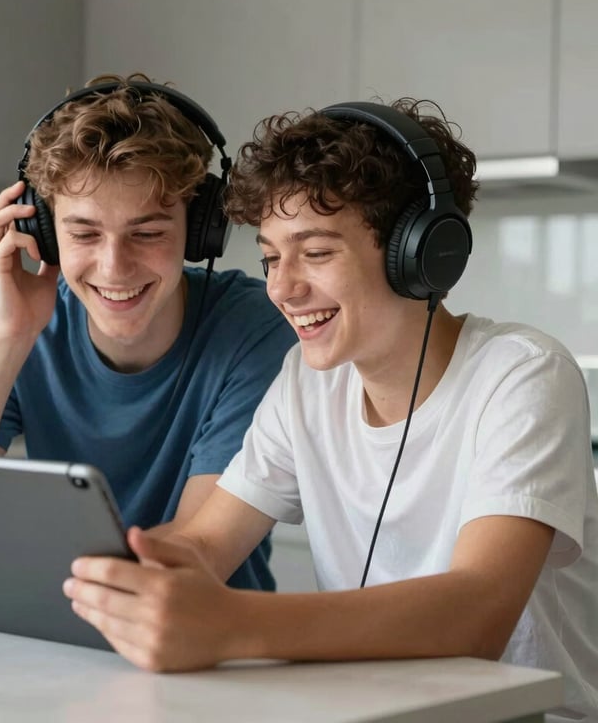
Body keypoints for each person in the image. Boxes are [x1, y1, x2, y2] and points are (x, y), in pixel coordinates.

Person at [63, 98, 598, 721]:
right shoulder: (305, 384)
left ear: (418, 254)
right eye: (270, 257)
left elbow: (477, 613)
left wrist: (231, 623)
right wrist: (106, 580)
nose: (282, 287)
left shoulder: (521, 373)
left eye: (314, 253)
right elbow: (202, 545)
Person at [0, 73, 297, 593]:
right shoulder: (1, 320)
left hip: (206, 654)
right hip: (56, 638)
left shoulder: (254, 327)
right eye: (83, 233)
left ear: (198, 229)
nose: (114, 267)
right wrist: (8, 337)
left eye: (147, 233)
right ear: (43, 232)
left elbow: (194, 553)